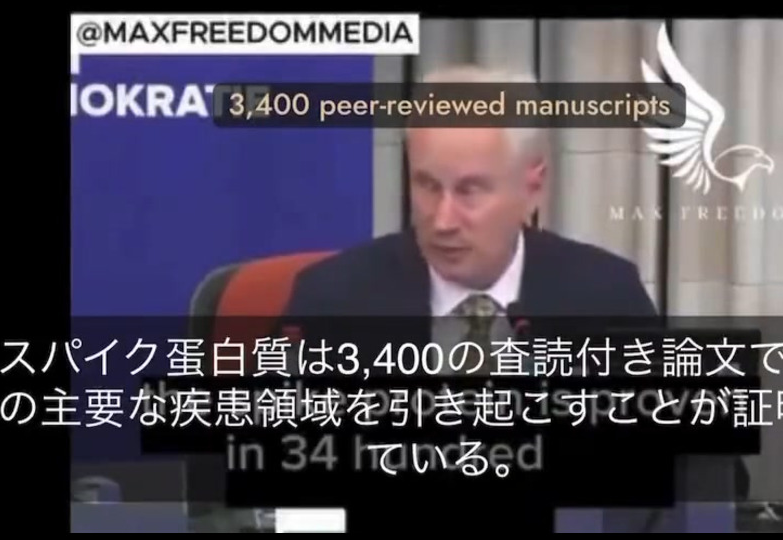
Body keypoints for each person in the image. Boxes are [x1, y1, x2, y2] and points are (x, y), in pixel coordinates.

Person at [283, 64, 670, 533]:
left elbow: (684, 471)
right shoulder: (332, 300)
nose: (442, 219)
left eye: (470, 190)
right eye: (427, 185)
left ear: (533, 187)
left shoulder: (606, 297)